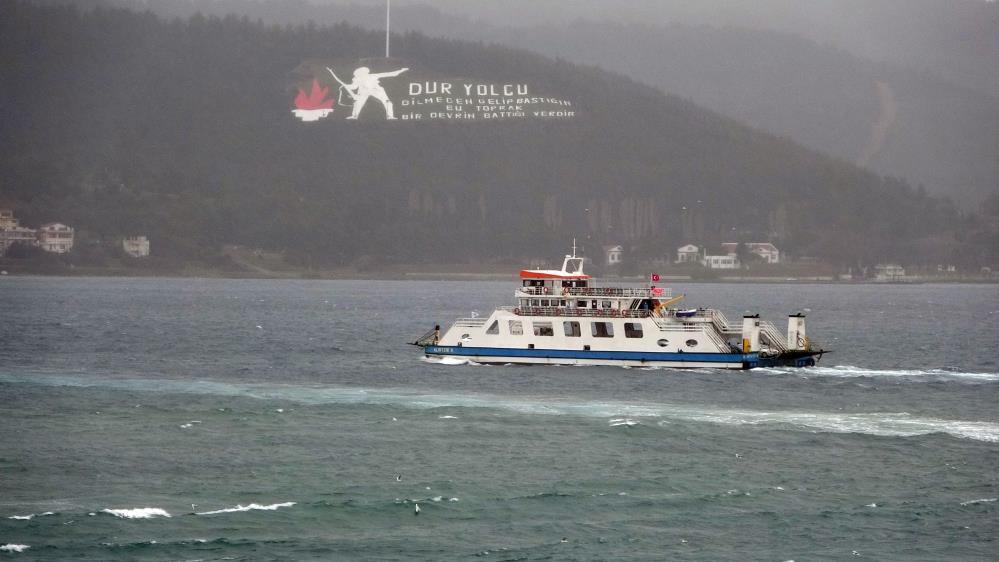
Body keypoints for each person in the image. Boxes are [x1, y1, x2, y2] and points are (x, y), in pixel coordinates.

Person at [342, 66, 408, 120]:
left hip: (376, 90)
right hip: (363, 91)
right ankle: (354, 116)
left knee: (388, 102)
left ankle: (390, 116)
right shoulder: (356, 79)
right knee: (357, 103)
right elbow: (354, 87)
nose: (364, 74)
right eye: (361, 73)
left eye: (364, 72)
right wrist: (347, 86)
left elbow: (390, 74)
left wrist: (401, 70)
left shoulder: (373, 76)